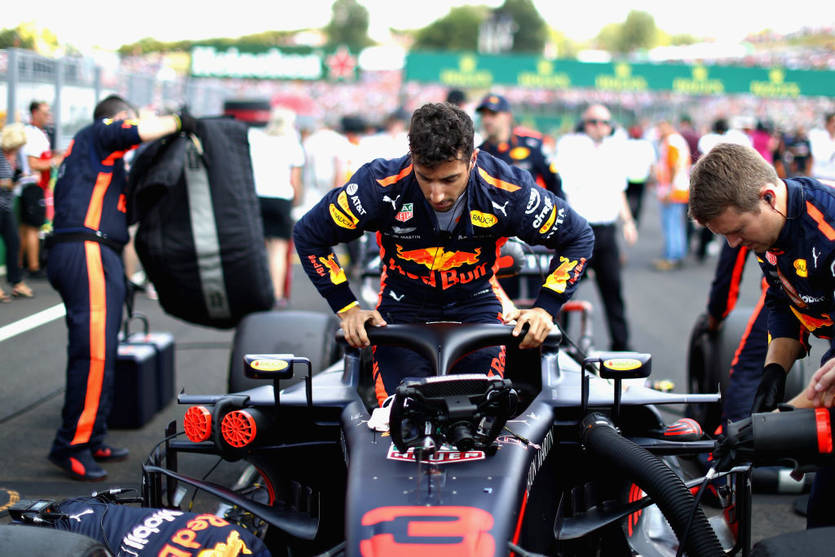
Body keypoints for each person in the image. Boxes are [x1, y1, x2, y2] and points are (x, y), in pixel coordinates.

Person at [293, 102, 593, 406]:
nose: (437, 194)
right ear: (412, 158)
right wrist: (348, 309)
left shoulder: (507, 188)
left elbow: (578, 235)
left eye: (449, 179)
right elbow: (309, 234)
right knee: (401, 412)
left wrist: (545, 309)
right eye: (425, 177)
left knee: (479, 409)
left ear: (472, 159)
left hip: (476, 304)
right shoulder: (378, 185)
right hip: (403, 305)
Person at [46, 94, 195, 481]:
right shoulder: (100, 132)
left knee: (103, 349)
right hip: (86, 249)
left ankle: (92, 435)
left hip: (96, 251)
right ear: (119, 118)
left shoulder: (100, 160)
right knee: (93, 353)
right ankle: (71, 445)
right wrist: (179, 121)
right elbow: (140, 131)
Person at [688, 142, 835, 528]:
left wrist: (774, 426)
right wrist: (773, 374)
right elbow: (782, 301)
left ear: (768, 197)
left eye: (737, 231)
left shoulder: (829, 229)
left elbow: (831, 383)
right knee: (822, 514)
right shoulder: (771, 227)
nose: (733, 244)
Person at [554, 103, 636, 351]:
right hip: (578, 231)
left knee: (613, 291)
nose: (599, 127)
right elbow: (563, 188)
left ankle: (621, 347)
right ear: (584, 124)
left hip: (606, 231)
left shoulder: (615, 149)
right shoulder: (571, 146)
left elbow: (619, 190)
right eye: (593, 122)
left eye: (604, 122)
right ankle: (557, 345)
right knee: (562, 290)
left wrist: (628, 221)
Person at [248, 107, 305, 306]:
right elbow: (295, 180)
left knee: (256, 248)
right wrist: (296, 201)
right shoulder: (293, 143)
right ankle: (276, 295)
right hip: (281, 198)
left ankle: (256, 291)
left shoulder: (256, 138)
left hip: (256, 197)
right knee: (278, 251)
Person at [20, 101, 63, 278]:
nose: (48, 117)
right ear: (35, 113)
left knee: (26, 228)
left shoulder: (38, 132)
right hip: (33, 186)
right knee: (32, 228)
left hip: (33, 186)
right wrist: (55, 161)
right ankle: (33, 267)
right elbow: (33, 164)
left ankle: (21, 265)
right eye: (45, 113)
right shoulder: (32, 134)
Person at [0, 123, 34, 300]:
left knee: (14, 242)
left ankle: (16, 282)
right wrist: (9, 183)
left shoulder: (14, 156)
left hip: (6, 205)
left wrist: (17, 179)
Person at [653, 120, 692, 271]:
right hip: (678, 188)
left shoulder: (671, 141)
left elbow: (674, 166)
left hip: (673, 190)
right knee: (675, 223)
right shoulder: (676, 140)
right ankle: (676, 254)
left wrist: (669, 189)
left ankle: (672, 256)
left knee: (671, 224)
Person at [624, 124, 656, 228]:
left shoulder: (626, 144)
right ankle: (635, 220)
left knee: (629, 199)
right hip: (641, 178)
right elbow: (652, 163)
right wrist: (652, 176)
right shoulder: (647, 145)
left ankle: (629, 219)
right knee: (638, 201)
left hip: (628, 177)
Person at [808, 112, 835, 182]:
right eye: (833, 122)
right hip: (819, 177)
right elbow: (812, 158)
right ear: (827, 124)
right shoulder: (818, 137)